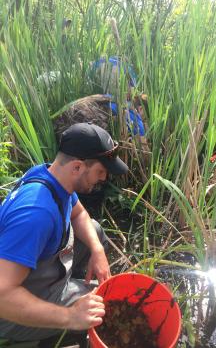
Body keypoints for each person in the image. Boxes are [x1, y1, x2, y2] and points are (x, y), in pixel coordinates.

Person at [0, 122, 128, 342]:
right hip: (8, 312)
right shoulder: (36, 215)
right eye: (100, 171)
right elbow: (3, 295)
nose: (104, 178)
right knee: (104, 309)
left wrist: (97, 250)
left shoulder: (54, 177)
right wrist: (70, 316)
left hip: (32, 268)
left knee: (94, 232)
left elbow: (78, 215)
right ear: (77, 167)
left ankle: (71, 286)